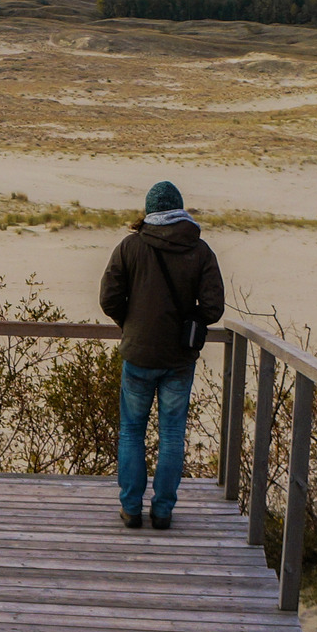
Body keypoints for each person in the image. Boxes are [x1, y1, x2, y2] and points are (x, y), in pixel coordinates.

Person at [98, 180, 225, 529]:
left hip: (138, 356)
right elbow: (213, 306)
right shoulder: (200, 250)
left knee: (131, 432)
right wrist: (191, 323)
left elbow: (108, 298)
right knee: (171, 435)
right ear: (180, 209)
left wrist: (131, 324)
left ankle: (130, 508)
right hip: (179, 360)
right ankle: (164, 510)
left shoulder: (129, 247)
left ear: (150, 211)